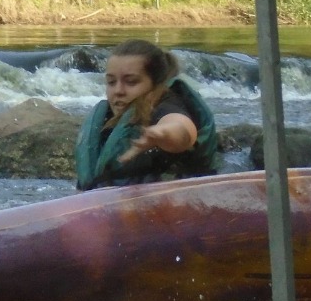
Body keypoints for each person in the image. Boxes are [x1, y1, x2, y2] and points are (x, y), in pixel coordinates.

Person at [75, 39, 220, 190]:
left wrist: (163, 134)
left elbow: (183, 130)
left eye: (131, 82)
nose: (118, 91)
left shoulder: (166, 105)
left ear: (156, 83)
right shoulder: (107, 117)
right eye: (111, 82)